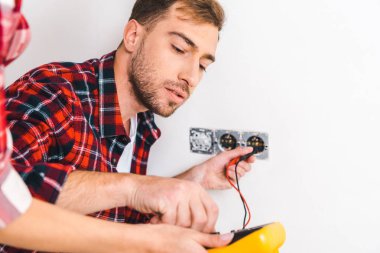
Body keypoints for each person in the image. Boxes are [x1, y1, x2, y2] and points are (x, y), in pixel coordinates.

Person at [3, 0, 255, 252]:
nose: (190, 76)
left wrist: (194, 180)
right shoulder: (55, 92)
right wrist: (136, 187)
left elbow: (114, 223)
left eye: (202, 66)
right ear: (133, 36)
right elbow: (9, 196)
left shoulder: (143, 123)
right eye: (179, 49)